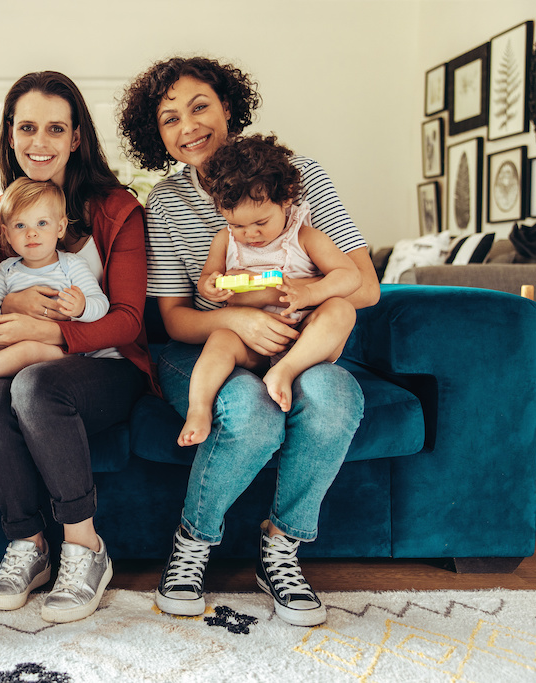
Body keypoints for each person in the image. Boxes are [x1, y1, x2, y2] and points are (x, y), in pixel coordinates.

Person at [118, 57, 380, 627]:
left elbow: (366, 289)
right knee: (251, 410)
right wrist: (236, 319)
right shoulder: (165, 201)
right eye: (169, 119)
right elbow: (177, 319)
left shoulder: (298, 176)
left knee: (335, 398)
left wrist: (300, 293)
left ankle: (281, 547)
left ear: (229, 106)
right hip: (212, 345)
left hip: (301, 331)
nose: (187, 126)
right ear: (156, 135)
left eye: (199, 106)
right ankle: (191, 544)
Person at [0, 71, 152, 625]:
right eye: (27, 127)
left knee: (35, 385)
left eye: (55, 128)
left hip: (108, 367)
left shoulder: (117, 209)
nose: (39, 142)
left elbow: (127, 321)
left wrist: (53, 332)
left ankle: (85, 547)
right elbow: (3, 295)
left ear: (76, 138)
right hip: (30, 357)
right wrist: (14, 312)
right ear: (9, 134)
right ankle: (29, 546)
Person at [178, 134, 361, 446]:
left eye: (261, 222)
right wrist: (211, 286)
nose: (250, 234)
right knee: (220, 339)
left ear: (286, 198)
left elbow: (350, 276)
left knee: (342, 310)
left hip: (303, 339)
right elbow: (208, 276)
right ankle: (198, 408)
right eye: (237, 225)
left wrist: (310, 294)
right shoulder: (225, 240)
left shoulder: (305, 236)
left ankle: (285, 371)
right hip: (249, 344)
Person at [0, 177, 118, 395]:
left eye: (42, 223)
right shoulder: (8, 269)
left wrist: (82, 307)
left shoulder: (72, 265)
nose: (31, 233)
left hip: (60, 351)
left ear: (61, 227)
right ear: (7, 234)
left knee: (28, 349)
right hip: (11, 343)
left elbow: (100, 304)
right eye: (20, 225)